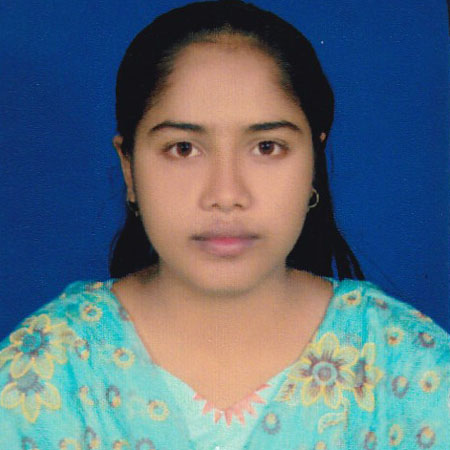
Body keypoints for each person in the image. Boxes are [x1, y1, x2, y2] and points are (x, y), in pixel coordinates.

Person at [0, 1, 448, 448]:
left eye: (267, 147)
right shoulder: (44, 371)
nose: (226, 194)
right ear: (129, 167)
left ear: (314, 160)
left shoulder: (412, 368)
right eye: (183, 149)